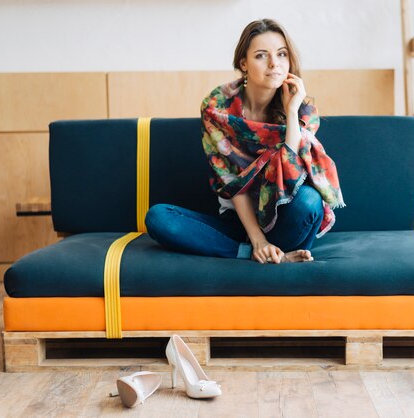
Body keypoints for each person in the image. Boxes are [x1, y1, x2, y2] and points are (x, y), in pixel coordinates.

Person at [145, 19, 344, 264]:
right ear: (244, 63)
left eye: (282, 54)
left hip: (281, 216)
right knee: (159, 217)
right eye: (262, 56)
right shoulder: (218, 108)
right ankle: (256, 254)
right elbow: (232, 182)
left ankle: (273, 252)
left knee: (309, 200)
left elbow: (291, 177)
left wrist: (291, 114)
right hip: (237, 223)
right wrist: (257, 240)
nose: (274, 64)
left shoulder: (302, 112)